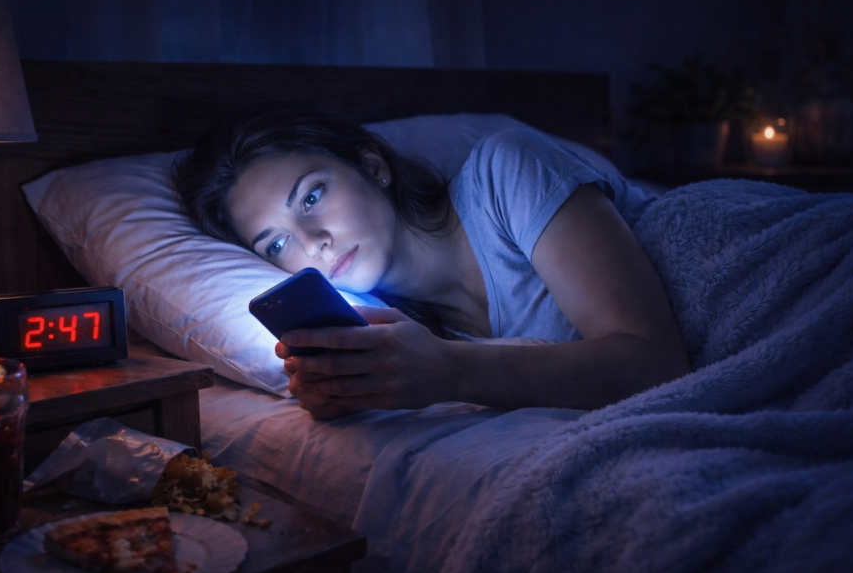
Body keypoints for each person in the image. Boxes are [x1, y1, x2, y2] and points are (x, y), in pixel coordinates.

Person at [174, 105, 690, 419]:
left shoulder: (505, 172)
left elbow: (655, 365)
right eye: (276, 245)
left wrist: (450, 373)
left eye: (311, 198)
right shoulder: (399, 337)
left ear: (373, 166)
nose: (313, 244)